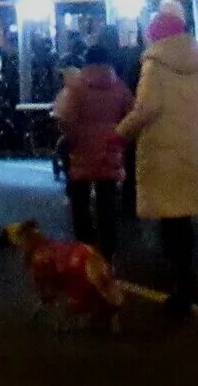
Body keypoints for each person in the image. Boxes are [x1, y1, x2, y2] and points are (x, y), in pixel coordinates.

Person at [120, 0, 198, 315]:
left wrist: (120, 133)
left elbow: (145, 108)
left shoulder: (155, 65)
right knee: (182, 220)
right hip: (191, 146)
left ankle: (180, 286)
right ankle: (186, 280)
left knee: (169, 222)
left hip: (163, 149)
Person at [54, 41, 132, 259]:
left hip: (82, 149)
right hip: (110, 149)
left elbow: (65, 117)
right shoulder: (119, 87)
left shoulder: (76, 88)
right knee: (106, 201)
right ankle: (108, 251)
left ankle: (84, 248)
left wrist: (73, 137)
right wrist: (119, 139)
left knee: (80, 200)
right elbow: (131, 115)